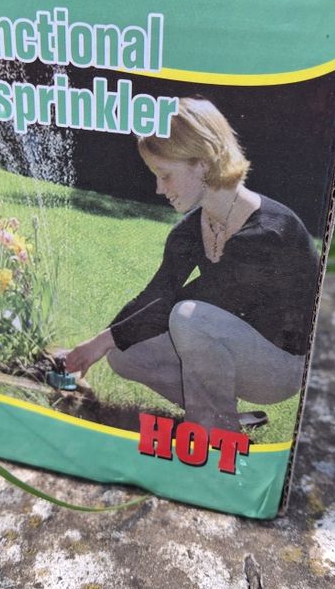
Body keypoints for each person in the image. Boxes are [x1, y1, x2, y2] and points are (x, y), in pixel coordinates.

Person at [65, 97, 319, 432]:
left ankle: (212, 432)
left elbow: (192, 301)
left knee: (188, 317)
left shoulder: (268, 233)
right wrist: (97, 345)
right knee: (125, 352)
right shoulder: (190, 230)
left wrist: (102, 340)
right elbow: (157, 294)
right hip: (229, 346)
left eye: (165, 175)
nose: (159, 188)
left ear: (201, 163)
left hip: (282, 366)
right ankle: (224, 417)